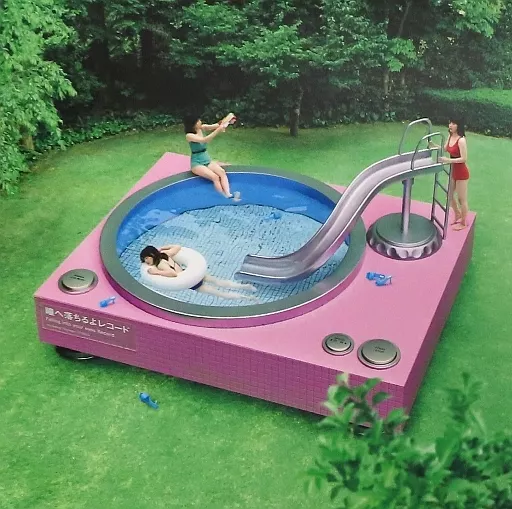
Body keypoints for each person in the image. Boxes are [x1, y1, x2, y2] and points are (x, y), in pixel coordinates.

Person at [139, 245, 258, 301]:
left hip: (192, 282)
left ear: (152, 255)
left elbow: (172, 274)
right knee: (219, 282)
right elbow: (177, 247)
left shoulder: (160, 264)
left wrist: (156, 272)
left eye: (146, 259)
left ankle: (248, 298)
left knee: (220, 294)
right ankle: (245, 286)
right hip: (194, 274)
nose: (146, 262)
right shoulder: (165, 255)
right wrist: (163, 248)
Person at [184, 114, 236, 199]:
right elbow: (205, 140)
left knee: (222, 172)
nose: (200, 122)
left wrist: (227, 121)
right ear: (193, 124)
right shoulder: (189, 136)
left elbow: (217, 125)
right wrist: (218, 130)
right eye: (198, 121)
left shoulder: (202, 127)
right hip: (197, 163)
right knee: (215, 177)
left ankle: (228, 194)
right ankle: (222, 197)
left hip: (206, 159)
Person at [437, 118, 470, 231]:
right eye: (450, 123)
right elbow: (445, 149)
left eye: (453, 123)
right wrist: (434, 146)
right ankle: (457, 214)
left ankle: (463, 223)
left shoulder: (461, 140)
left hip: (461, 173)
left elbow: (464, 158)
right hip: (453, 171)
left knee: (461, 199)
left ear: (458, 125)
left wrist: (448, 160)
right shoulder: (450, 136)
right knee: (449, 195)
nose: (450, 125)